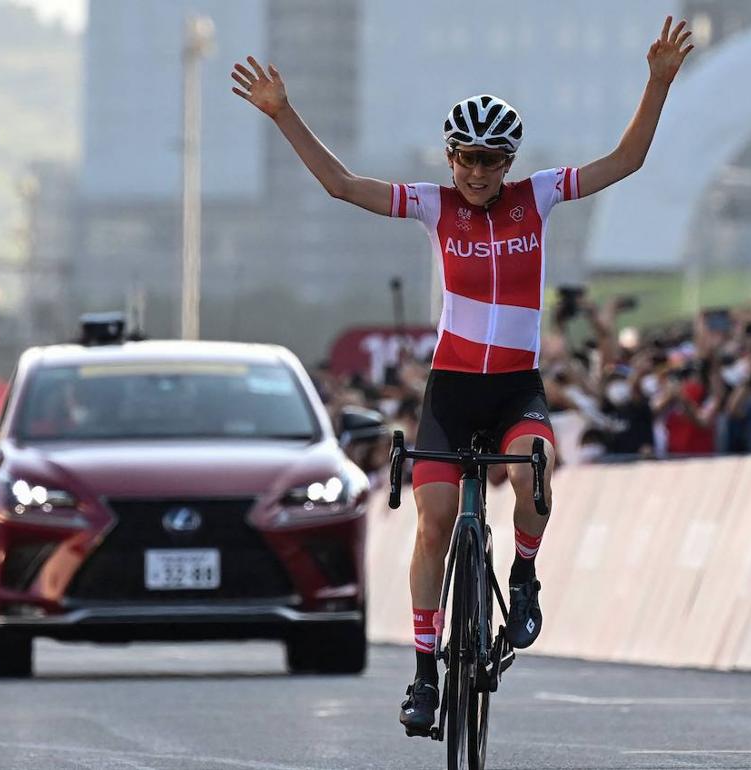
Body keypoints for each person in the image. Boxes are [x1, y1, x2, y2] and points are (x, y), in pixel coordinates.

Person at [232, 16, 694, 738]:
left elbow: (625, 161)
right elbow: (341, 185)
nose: (478, 173)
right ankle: (423, 673)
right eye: (466, 160)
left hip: (515, 386)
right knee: (435, 524)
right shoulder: (432, 204)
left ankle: (525, 574)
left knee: (537, 468)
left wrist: (658, 82)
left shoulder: (536, 197)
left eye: (491, 161)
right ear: (449, 159)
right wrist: (284, 112)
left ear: (509, 162)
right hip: (451, 390)